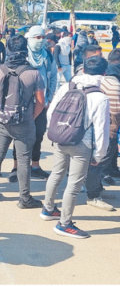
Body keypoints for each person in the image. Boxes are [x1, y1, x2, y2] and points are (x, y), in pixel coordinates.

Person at [42, 56, 110, 239]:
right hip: (82, 144)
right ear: (104, 73)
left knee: (56, 174)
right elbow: (102, 130)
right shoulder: (100, 97)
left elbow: (51, 112)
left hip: (60, 138)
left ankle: (48, 209)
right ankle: (64, 224)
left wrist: (55, 133)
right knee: (73, 183)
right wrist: (99, 155)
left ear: (84, 69)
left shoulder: (67, 86)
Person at [0, 35, 45, 208]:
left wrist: (2, 112)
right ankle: (24, 198)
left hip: (1, 122)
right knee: (23, 160)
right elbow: (41, 102)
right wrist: (30, 117)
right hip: (24, 123)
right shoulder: (34, 73)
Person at [9, 26, 57, 182]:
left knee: (38, 134)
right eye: (37, 38)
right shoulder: (22, 55)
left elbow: (53, 78)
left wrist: (48, 99)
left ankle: (35, 166)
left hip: (42, 104)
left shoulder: (47, 56)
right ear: (29, 38)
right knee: (20, 136)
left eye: (43, 37)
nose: (41, 40)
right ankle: (16, 167)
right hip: (22, 103)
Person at [84, 49, 120, 211]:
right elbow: (117, 112)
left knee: (97, 162)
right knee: (98, 163)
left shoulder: (85, 80)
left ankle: (97, 189)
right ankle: (93, 194)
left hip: (90, 129)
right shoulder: (114, 85)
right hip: (109, 129)